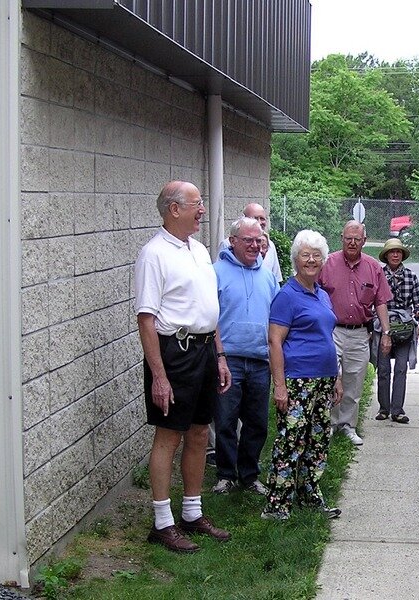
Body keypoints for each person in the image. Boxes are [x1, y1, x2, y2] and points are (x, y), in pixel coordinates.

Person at [134, 180, 232, 553]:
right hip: (174, 353)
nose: (202, 209)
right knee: (169, 436)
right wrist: (159, 376)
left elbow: (210, 309)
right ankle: (163, 523)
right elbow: (146, 319)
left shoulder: (199, 250)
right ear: (174, 209)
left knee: (198, 433)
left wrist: (219, 356)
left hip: (205, 350)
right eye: (196, 203)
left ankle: (192, 512)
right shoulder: (154, 254)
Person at [262, 230, 343, 521]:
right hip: (298, 381)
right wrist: (280, 386)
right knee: (291, 441)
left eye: (317, 255)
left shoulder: (321, 294)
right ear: (296, 259)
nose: (311, 260)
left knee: (318, 441)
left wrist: (337, 377)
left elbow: (327, 337)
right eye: (305, 255)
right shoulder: (287, 295)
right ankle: (276, 506)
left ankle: (310, 497)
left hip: (324, 379)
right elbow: (274, 341)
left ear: (323, 260)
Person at [211, 217, 279, 495]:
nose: (254, 245)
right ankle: (226, 475)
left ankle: (249, 476)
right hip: (229, 360)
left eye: (258, 240)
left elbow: (277, 318)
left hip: (260, 361)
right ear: (233, 241)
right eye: (248, 240)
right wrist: (220, 356)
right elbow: (210, 317)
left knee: (257, 422)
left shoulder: (267, 276)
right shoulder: (216, 272)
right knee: (225, 421)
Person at [318, 221, 392, 446]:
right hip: (332, 331)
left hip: (360, 333)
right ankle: (328, 423)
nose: (352, 242)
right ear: (341, 237)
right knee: (331, 378)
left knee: (354, 379)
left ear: (364, 241)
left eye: (356, 239)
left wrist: (386, 332)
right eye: (348, 238)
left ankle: (347, 425)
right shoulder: (327, 263)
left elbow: (380, 302)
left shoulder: (373, 267)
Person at [374, 238, 419, 423]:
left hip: (404, 327)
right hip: (383, 326)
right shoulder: (378, 274)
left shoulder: (411, 276)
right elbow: (373, 301)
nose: (395, 255)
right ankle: (383, 408)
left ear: (402, 255)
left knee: (401, 368)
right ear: (386, 255)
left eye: (398, 252)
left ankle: (397, 410)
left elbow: (418, 304)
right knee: (383, 369)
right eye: (391, 252)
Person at [243, 202, 283, 283]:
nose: (259, 222)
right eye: (255, 218)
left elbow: (276, 280)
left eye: (262, 218)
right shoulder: (230, 244)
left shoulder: (270, 245)